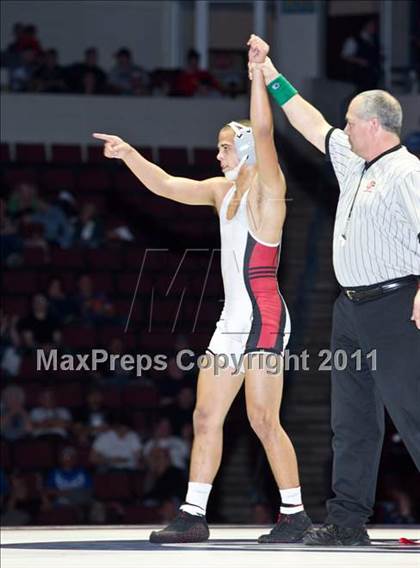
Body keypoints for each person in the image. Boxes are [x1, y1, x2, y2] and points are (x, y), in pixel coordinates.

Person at [93, 37, 312, 545]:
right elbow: (168, 185)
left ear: (243, 148)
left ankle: (296, 514)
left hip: (264, 316)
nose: (215, 153)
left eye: (222, 145)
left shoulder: (267, 188)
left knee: (261, 417)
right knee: (206, 413)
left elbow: (263, 130)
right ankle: (193, 515)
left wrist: (257, 76)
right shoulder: (221, 190)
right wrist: (128, 155)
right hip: (231, 317)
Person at [247, 34, 420, 546]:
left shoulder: (408, 173)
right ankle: (347, 521)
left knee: (412, 415)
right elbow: (309, 121)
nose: (342, 126)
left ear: (373, 125)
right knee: (351, 422)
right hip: (350, 309)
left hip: (395, 306)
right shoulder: (351, 157)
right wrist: (271, 72)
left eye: (349, 120)